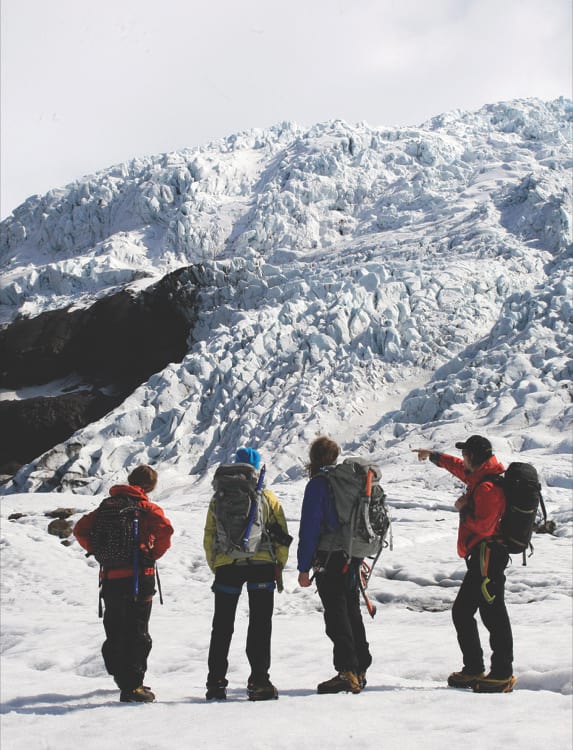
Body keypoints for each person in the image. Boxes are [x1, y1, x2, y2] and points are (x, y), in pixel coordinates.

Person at [413, 435, 516, 693]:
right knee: (462, 611)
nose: (464, 459)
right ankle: (473, 669)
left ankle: (502, 673)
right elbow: (458, 467)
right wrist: (434, 456)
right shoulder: (480, 476)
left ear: (475, 458)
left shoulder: (487, 488)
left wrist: (463, 508)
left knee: (494, 614)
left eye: (466, 455)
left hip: (488, 557)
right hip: (482, 557)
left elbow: (483, 525)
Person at [73, 465, 173, 703]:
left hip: (111, 578)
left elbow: (80, 530)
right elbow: (166, 531)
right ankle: (133, 686)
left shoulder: (106, 508)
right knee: (137, 630)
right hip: (140, 577)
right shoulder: (147, 507)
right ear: (150, 486)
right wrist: (152, 555)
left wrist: (99, 552)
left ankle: (123, 678)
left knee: (116, 628)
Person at [203, 447, 290, 701]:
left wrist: (218, 565)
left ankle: (216, 682)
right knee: (260, 624)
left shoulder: (218, 497)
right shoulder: (267, 497)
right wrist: (278, 567)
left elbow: (209, 535)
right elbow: (281, 536)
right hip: (262, 565)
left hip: (227, 567)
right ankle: (259, 681)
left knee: (222, 626)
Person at [297, 436, 372, 695]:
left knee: (336, 614)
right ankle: (360, 666)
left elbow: (310, 528)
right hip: (352, 556)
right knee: (351, 610)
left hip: (329, 558)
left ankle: (346, 671)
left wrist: (303, 567)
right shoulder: (349, 482)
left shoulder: (319, 484)